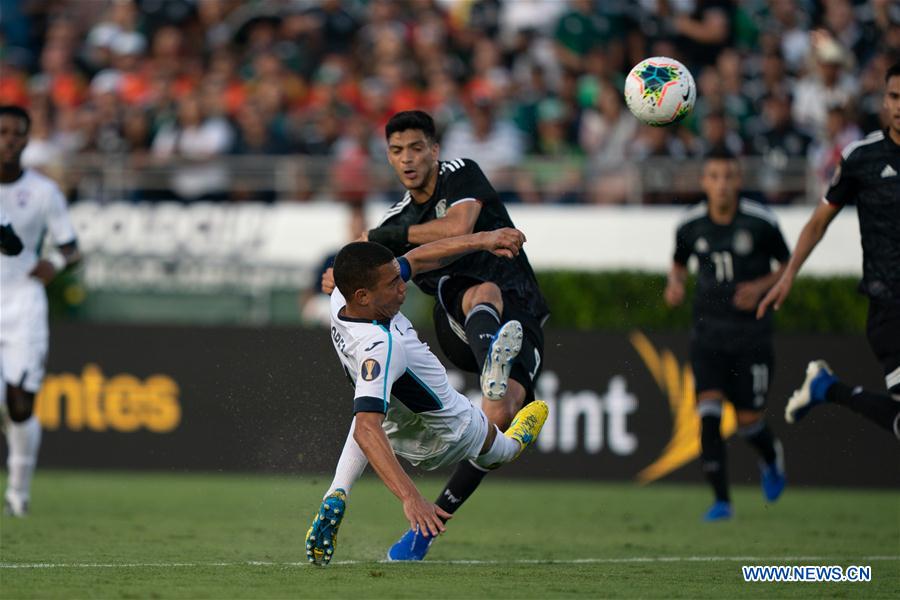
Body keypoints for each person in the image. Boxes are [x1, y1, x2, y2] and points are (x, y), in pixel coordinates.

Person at [323, 110, 550, 559]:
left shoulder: (460, 173)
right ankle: (492, 364)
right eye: (396, 151)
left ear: (434, 151)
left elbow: (458, 228)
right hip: (459, 319)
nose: (407, 159)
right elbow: (357, 273)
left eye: (415, 148)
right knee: (477, 289)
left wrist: (392, 235)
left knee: (499, 419)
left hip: (521, 314)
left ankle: (424, 534)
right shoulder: (394, 220)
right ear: (388, 157)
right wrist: (340, 277)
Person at [305, 232, 549, 565]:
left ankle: (336, 492)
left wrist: (483, 241)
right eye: (393, 284)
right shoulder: (381, 346)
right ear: (362, 295)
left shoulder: (341, 302)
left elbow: (419, 258)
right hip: (452, 433)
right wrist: (411, 499)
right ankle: (515, 434)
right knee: (500, 451)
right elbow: (365, 431)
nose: (403, 286)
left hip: (394, 426)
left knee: (372, 410)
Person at [759, 62, 900, 439]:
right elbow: (819, 223)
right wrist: (788, 275)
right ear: (884, 101)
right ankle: (826, 387)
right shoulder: (862, 157)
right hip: (891, 308)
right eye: (894, 96)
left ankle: (826, 387)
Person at [664, 148, 791, 522]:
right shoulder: (689, 224)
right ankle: (722, 501)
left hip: (751, 334)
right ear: (704, 181)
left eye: (728, 176)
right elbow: (678, 263)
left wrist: (759, 286)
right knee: (708, 413)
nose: (721, 184)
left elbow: (787, 266)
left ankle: (771, 456)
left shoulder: (761, 222)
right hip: (707, 334)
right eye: (714, 176)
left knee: (749, 420)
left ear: (739, 180)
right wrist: (675, 285)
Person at [0, 104, 81, 517]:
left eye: (17, 133)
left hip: (24, 300)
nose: (9, 139)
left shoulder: (44, 191)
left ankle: (18, 490)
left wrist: (58, 263)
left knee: (20, 405)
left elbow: (71, 248)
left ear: (28, 139)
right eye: (3, 132)